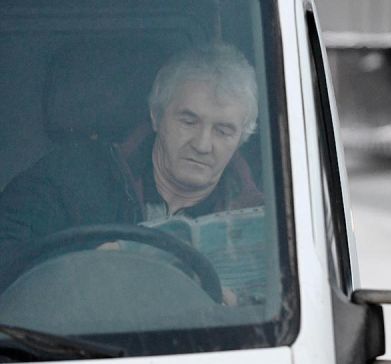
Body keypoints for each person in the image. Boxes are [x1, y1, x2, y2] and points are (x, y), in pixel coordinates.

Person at [0, 42, 261, 260]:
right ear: (156, 116)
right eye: (188, 121)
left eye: (223, 131)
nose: (203, 145)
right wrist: (86, 261)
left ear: (241, 138)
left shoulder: (269, 216)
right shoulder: (69, 176)